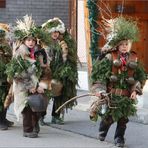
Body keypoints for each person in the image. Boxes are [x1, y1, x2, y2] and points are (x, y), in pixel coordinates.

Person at [90, 17, 147, 147]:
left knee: (123, 119)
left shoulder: (134, 58)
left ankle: (119, 139)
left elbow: (139, 77)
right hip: (111, 95)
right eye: (121, 44)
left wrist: (135, 90)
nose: (124, 47)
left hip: (126, 95)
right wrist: (100, 90)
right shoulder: (110, 57)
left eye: (126, 44)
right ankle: (103, 129)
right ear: (117, 45)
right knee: (109, 118)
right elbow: (100, 76)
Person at [6, 15, 49, 138]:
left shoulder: (37, 52)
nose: (31, 42)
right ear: (24, 41)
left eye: (33, 40)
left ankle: (34, 125)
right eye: (28, 40)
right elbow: (18, 73)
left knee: (37, 105)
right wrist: (30, 86)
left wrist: (41, 85)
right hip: (23, 85)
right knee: (26, 108)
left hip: (35, 84)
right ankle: (27, 130)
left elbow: (43, 70)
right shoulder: (20, 53)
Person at [41, 17, 78, 125]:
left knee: (59, 94)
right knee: (45, 94)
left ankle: (55, 116)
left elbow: (68, 56)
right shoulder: (45, 43)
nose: (55, 34)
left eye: (57, 31)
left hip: (60, 72)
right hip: (47, 73)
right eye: (53, 31)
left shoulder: (63, 43)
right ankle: (41, 116)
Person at [0, 23, 14, 130]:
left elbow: (10, 57)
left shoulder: (5, 44)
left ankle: (3, 118)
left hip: (5, 75)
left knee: (6, 97)